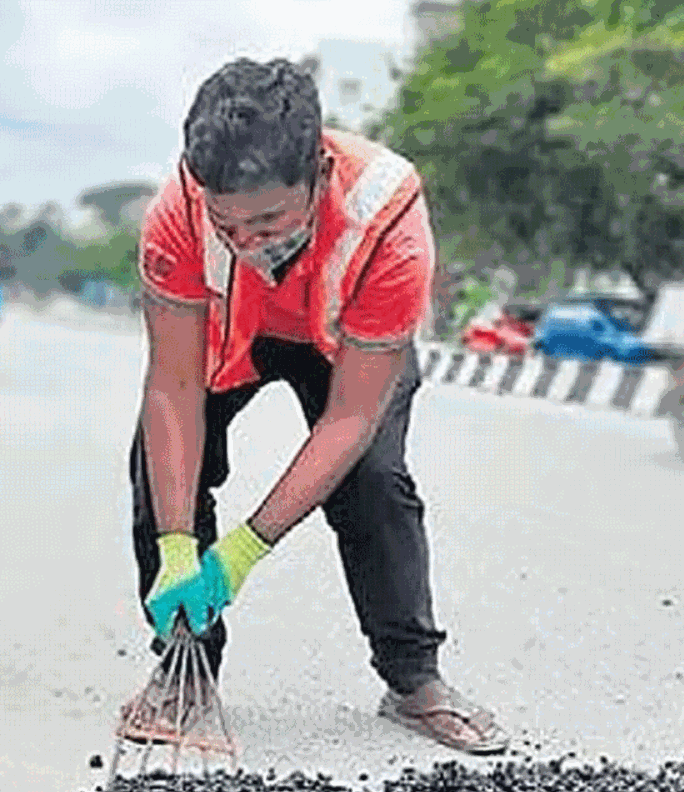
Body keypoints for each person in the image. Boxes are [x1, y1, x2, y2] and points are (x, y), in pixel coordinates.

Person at [128, 58, 508, 755]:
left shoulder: (387, 216)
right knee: (160, 469)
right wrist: (180, 547)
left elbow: (350, 420)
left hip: (346, 343)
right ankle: (186, 672)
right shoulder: (176, 214)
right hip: (231, 335)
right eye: (228, 225)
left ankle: (413, 679)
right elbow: (173, 391)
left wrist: (243, 550)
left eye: (269, 220)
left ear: (320, 175)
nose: (249, 243)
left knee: (374, 481)